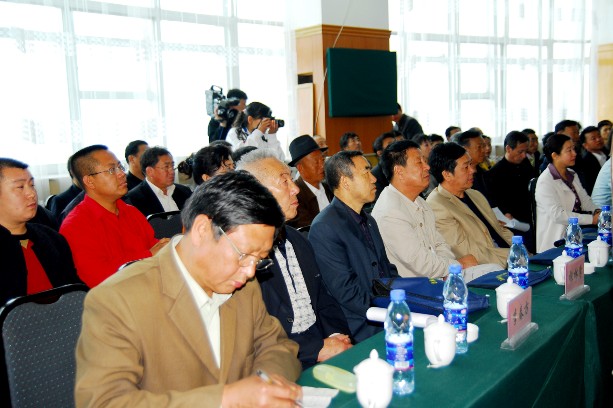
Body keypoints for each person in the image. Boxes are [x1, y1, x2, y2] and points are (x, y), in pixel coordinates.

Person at [74, 172, 302, 407]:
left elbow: (277, 346)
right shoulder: (117, 300)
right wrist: (226, 399)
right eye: (244, 255)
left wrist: (266, 385)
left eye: (260, 259)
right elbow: (104, 401)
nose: (250, 271)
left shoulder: (243, 284)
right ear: (203, 229)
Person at [237, 149, 351, 369]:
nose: (296, 188)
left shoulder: (298, 240)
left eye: (292, 179)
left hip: (324, 347)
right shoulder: (244, 255)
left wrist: (335, 335)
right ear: (256, 193)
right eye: (284, 181)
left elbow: (324, 298)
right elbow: (254, 335)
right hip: (280, 362)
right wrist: (316, 349)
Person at [308, 151, 399, 343]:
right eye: (366, 172)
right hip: (358, 326)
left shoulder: (369, 220)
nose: (374, 178)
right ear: (345, 182)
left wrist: (405, 299)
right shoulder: (325, 227)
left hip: (383, 313)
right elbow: (347, 292)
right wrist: (390, 312)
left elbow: (386, 270)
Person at [60, 145, 167, 287]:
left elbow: (154, 247)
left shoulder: (131, 212)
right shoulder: (75, 225)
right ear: (89, 181)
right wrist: (147, 256)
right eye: (111, 170)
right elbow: (98, 278)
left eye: (120, 167)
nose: (122, 174)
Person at [372, 141, 478, 279]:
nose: (427, 167)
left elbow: (440, 244)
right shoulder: (390, 212)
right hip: (415, 287)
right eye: (419, 163)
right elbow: (420, 264)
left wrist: (447, 270)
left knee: (493, 270)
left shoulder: (420, 201)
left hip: (439, 276)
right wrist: (456, 265)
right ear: (399, 171)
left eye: (425, 161)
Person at [0, 158, 81, 306]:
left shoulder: (51, 238)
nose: (31, 193)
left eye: (32, 185)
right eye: (20, 187)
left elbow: (74, 292)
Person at [427, 143, 513, 268]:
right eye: (466, 167)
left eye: (471, 164)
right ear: (447, 174)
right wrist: (513, 257)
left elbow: (499, 230)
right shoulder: (437, 205)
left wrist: (520, 249)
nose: (473, 170)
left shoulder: (475, 194)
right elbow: (467, 252)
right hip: (493, 268)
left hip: (511, 257)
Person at [535, 134, 599, 252]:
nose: (574, 153)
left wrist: (598, 212)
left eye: (574, 149)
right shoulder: (545, 181)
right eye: (569, 150)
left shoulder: (571, 174)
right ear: (555, 155)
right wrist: (592, 219)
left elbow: (585, 201)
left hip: (574, 235)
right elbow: (558, 215)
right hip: (555, 242)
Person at [486, 131, 536, 251]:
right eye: (520, 152)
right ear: (508, 148)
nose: (524, 155)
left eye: (525, 151)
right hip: (512, 224)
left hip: (531, 218)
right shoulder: (495, 173)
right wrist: (505, 212)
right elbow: (493, 200)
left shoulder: (526, 165)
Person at [125, 146, 192, 217]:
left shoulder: (185, 192)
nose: (172, 171)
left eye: (172, 166)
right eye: (166, 167)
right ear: (150, 171)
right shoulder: (134, 200)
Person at [286, 135, 333, 229]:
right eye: (316, 162)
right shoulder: (295, 197)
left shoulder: (330, 188)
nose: (322, 165)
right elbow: (310, 230)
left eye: (322, 160)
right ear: (300, 168)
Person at [455, 129, 492, 203]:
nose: (484, 150)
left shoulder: (484, 173)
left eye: (483, 146)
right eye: (479, 147)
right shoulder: (459, 177)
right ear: (465, 149)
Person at [577, 125, 609, 195]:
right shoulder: (585, 163)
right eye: (593, 138)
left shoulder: (609, 153)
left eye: (599, 136)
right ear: (585, 145)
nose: (598, 139)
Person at [370, 131, 397, 203]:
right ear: (380, 153)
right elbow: (381, 201)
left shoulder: (403, 167)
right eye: (390, 144)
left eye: (396, 143)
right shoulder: (374, 175)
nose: (396, 147)